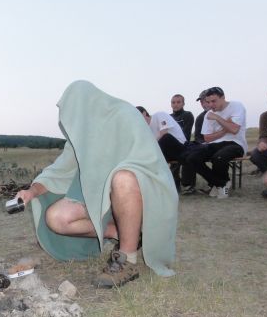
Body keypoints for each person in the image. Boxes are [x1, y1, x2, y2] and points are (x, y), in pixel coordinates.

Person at [15, 80, 177, 288]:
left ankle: (127, 258)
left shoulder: (125, 114)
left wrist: (108, 181)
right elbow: (59, 171)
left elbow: (148, 160)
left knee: (123, 178)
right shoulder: (83, 134)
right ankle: (120, 233)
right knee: (56, 218)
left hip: (143, 192)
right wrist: (32, 191)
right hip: (102, 197)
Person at [185, 87, 247, 199]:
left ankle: (218, 185)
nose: (210, 105)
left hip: (236, 143)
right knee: (192, 158)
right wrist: (226, 128)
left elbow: (234, 130)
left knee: (218, 157)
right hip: (215, 143)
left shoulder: (236, 106)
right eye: (208, 102)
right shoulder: (208, 114)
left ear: (223, 98)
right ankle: (221, 183)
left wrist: (217, 118)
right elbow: (207, 138)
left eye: (214, 101)